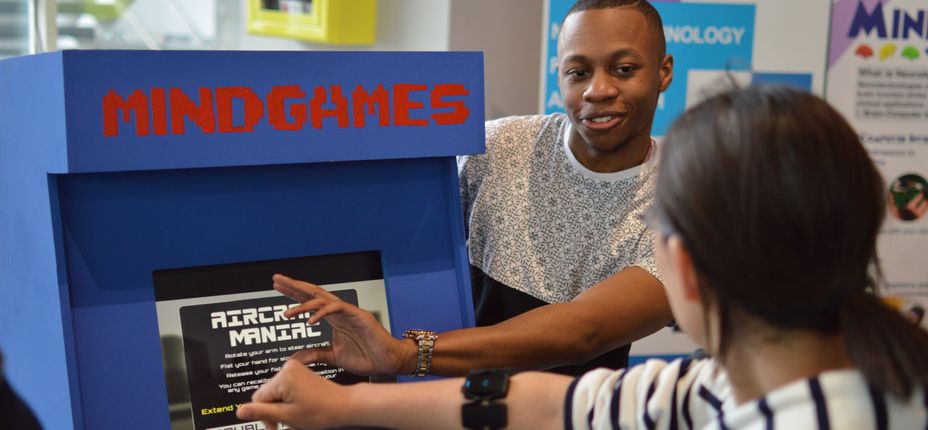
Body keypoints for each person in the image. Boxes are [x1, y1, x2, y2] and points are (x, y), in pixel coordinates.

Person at [238, 85, 928, 429]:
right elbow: (544, 400)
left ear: (684, 266)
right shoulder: (716, 386)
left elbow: (576, 344)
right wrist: (352, 397)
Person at [277, 0, 676, 379]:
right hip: (446, 405)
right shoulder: (499, 147)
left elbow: (585, 332)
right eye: (578, 72)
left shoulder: (682, 204)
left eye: (623, 69)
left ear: (663, 71)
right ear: (560, 75)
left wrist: (407, 354)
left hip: (570, 414)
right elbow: (389, 226)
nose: (597, 90)